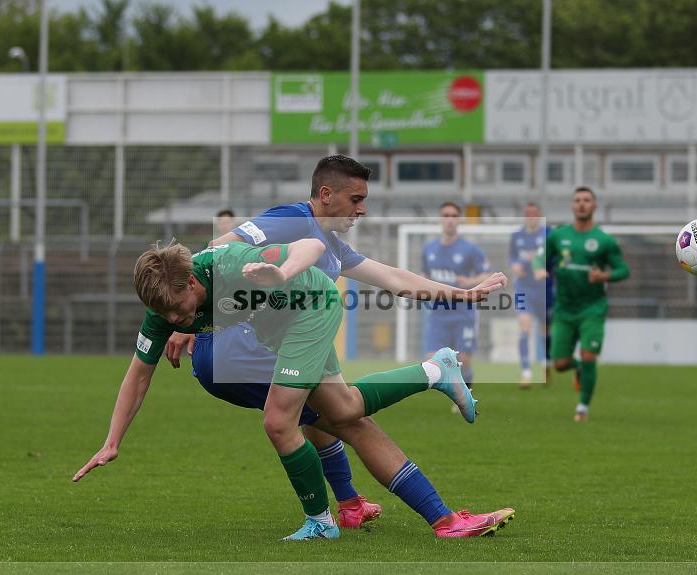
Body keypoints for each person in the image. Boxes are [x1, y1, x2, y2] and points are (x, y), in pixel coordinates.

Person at [74, 236, 511, 540]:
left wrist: (278, 271)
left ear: (192, 283)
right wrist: (112, 441)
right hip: (281, 330)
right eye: (164, 315)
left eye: (176, 310)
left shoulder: (231, 264)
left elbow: (312, 246)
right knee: (343, 411)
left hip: (310, 310)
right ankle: (435, 370)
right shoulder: (167, 304)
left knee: (279, 422)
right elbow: (139, 374)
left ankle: (321, 521)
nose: (173, 320)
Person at [173, 156, 515, 538]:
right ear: (325, 194)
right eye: (355, 199)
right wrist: (193, 314)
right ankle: (433, 376)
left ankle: (399, 511)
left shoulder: (333, 247)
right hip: (242, 345)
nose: (362, 209)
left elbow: (392, 277)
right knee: (340, 416)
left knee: (337, 417)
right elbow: (219, 247)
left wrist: (462, 295)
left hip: (265, 347)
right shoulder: (292, 218)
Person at [533, 187, 629, 421]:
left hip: (592, 308)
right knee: (560, 363)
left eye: (587, 200)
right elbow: (540, 256)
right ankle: (577, 368)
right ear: (572, 206)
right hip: (564, 308)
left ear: (594, 206)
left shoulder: (603, 240)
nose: (582, 204)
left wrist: (604, 276)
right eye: (577, 200)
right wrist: (538, 268)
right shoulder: (558, 235)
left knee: (589, 356)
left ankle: (582, 408)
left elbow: (623, 269)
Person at [421, 202, 491, 389]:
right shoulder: (429, 249)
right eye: (446, 215)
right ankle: (454, 387)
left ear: (459, 219)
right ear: (440, 219)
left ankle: (465, 389)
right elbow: (425, 277)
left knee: (463, 360)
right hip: (438, 314)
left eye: (453, 215)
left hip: (463, 314)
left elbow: (486, 273)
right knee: (430, 360)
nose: (450, 219)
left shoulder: (470, 249)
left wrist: (470, 282)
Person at [509, 202, 552, 388]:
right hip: (523, 287)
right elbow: (511, 257)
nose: (531, 216)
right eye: (528, 213)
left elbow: (553, 258)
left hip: (543, 288)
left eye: (535, 213)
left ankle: (546, 365)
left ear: (540, 214)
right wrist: (514, 265)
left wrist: (544, 269)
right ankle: (526, 373)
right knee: (524, 328)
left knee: (545, 330)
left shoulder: (547, 235)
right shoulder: (516, 236)